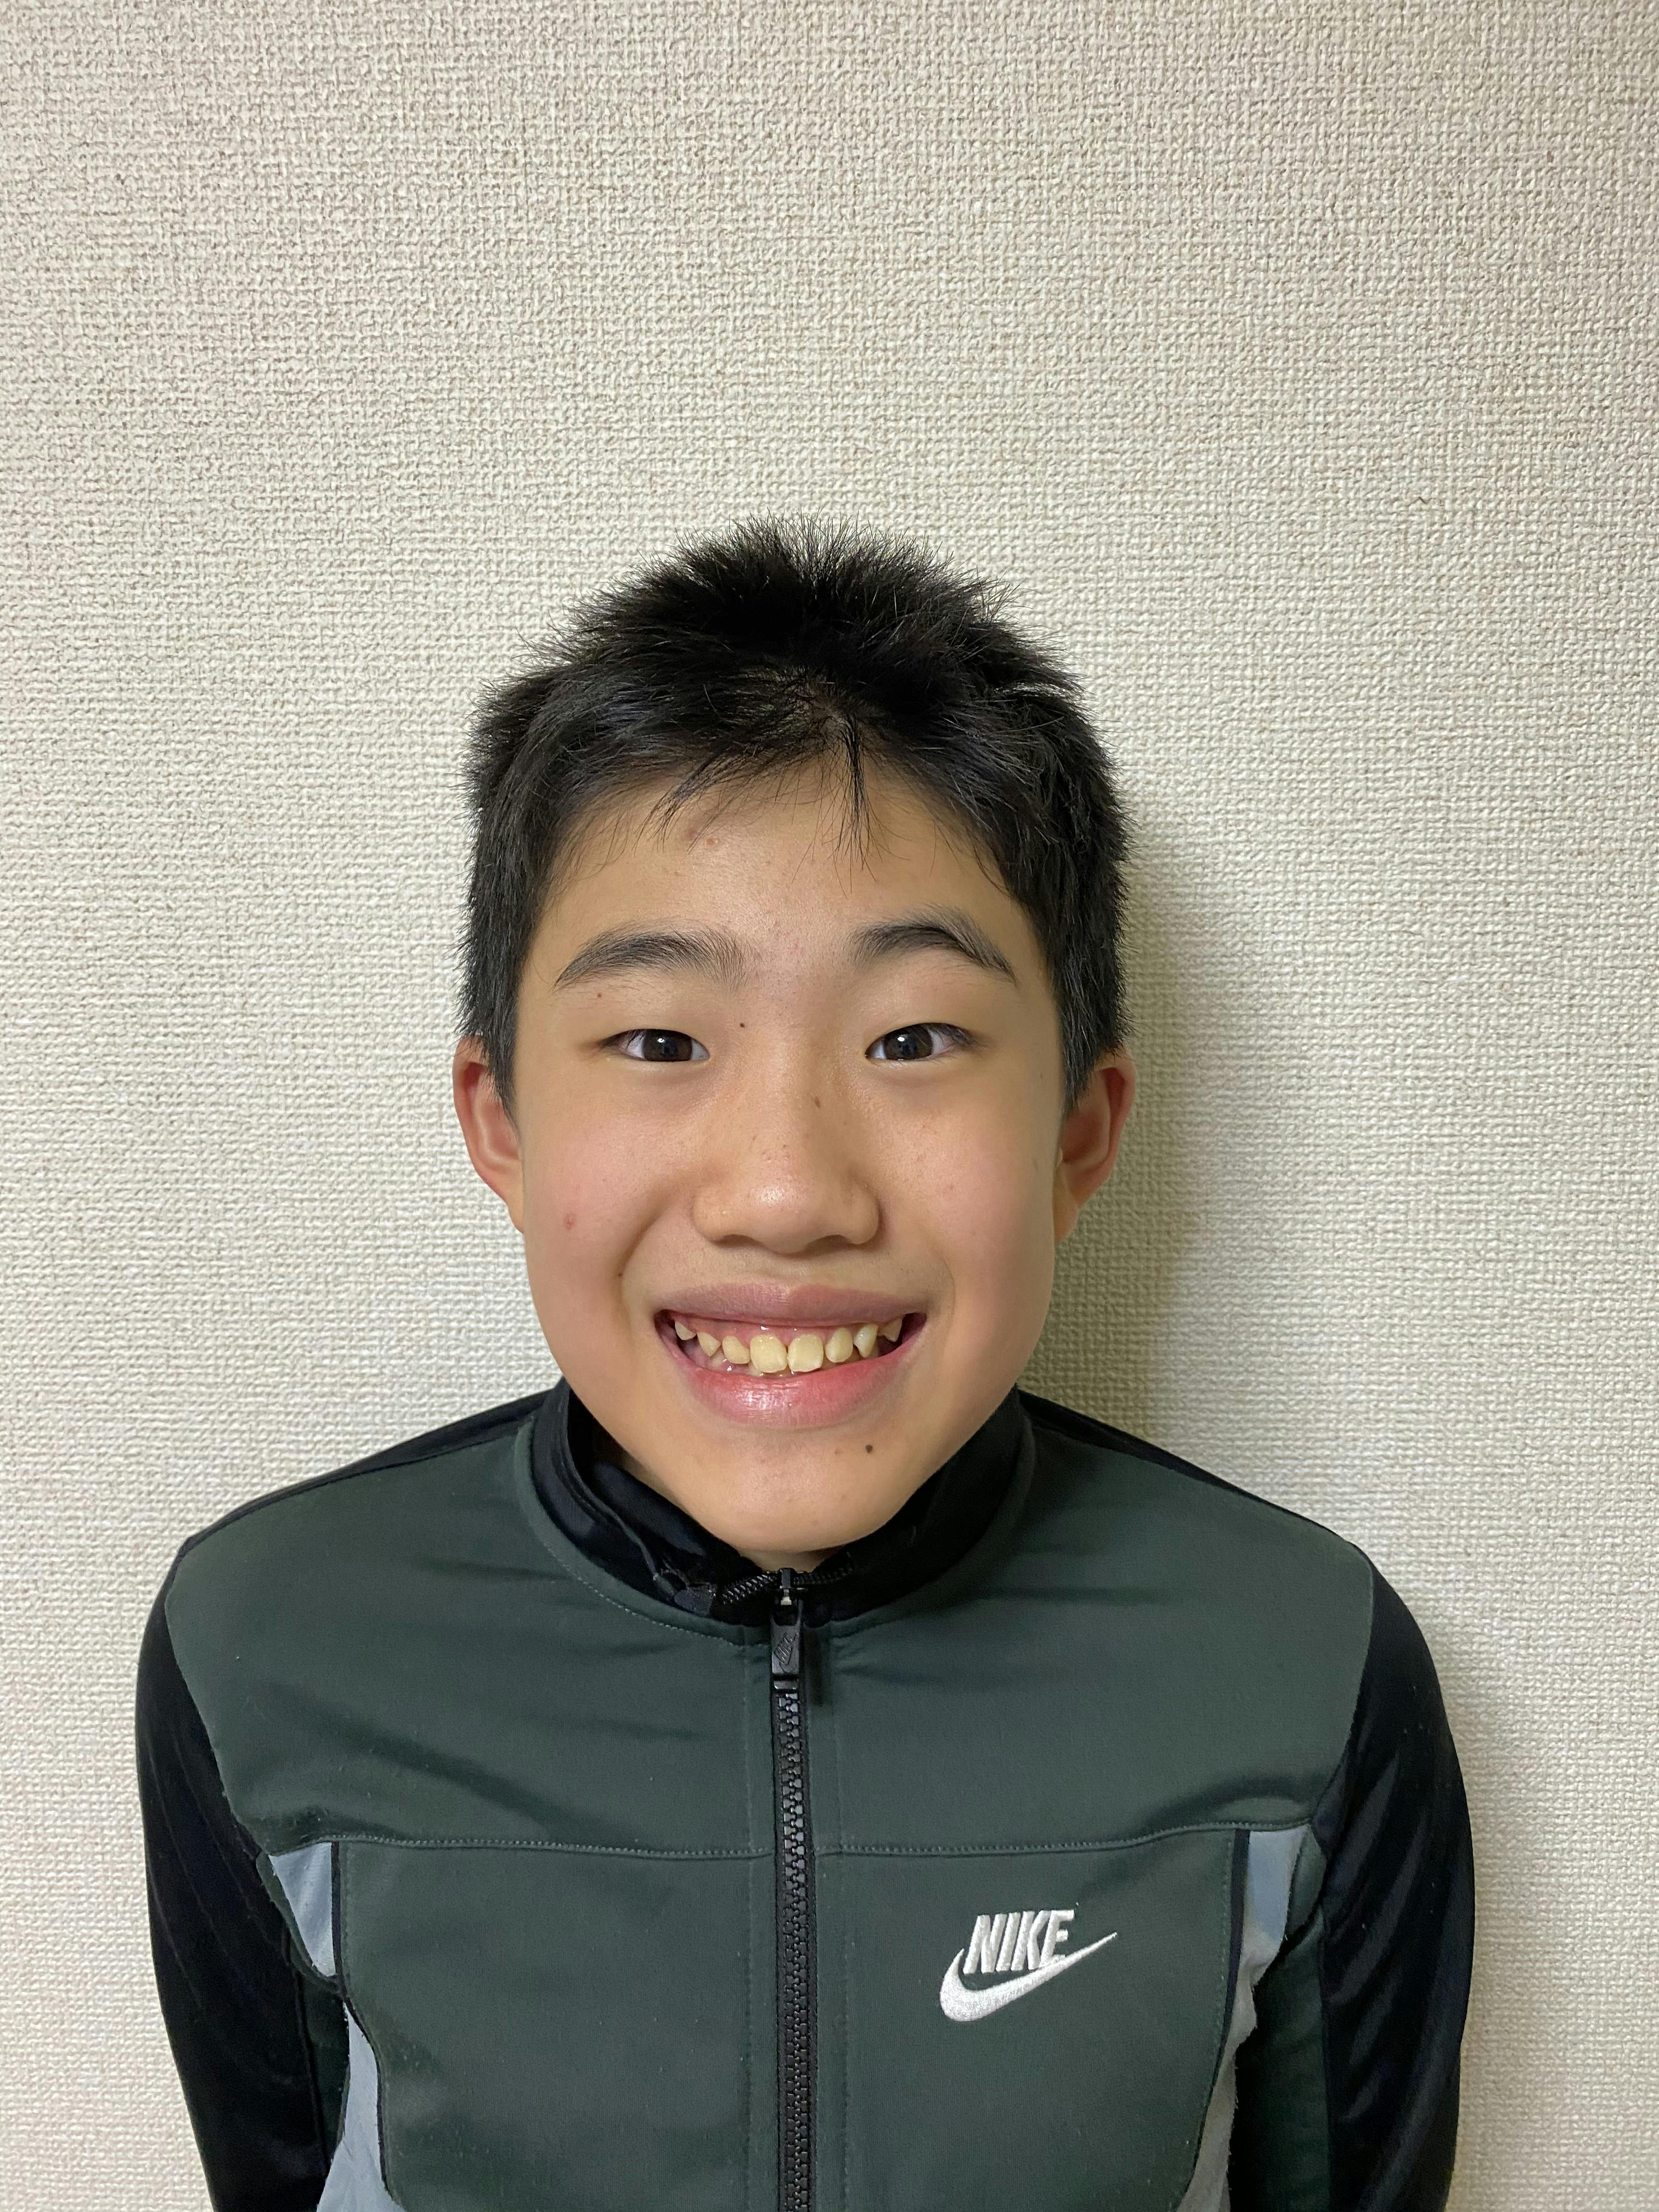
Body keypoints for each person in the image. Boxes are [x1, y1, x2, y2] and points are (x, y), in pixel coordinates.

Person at [137, 516, 1474, 2212]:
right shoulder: (268, 1649)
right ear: (504, 1123)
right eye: (658, 1038)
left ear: (1079, 1130)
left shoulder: (1305, 1666)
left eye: (913, 1037)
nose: (783, 1191)